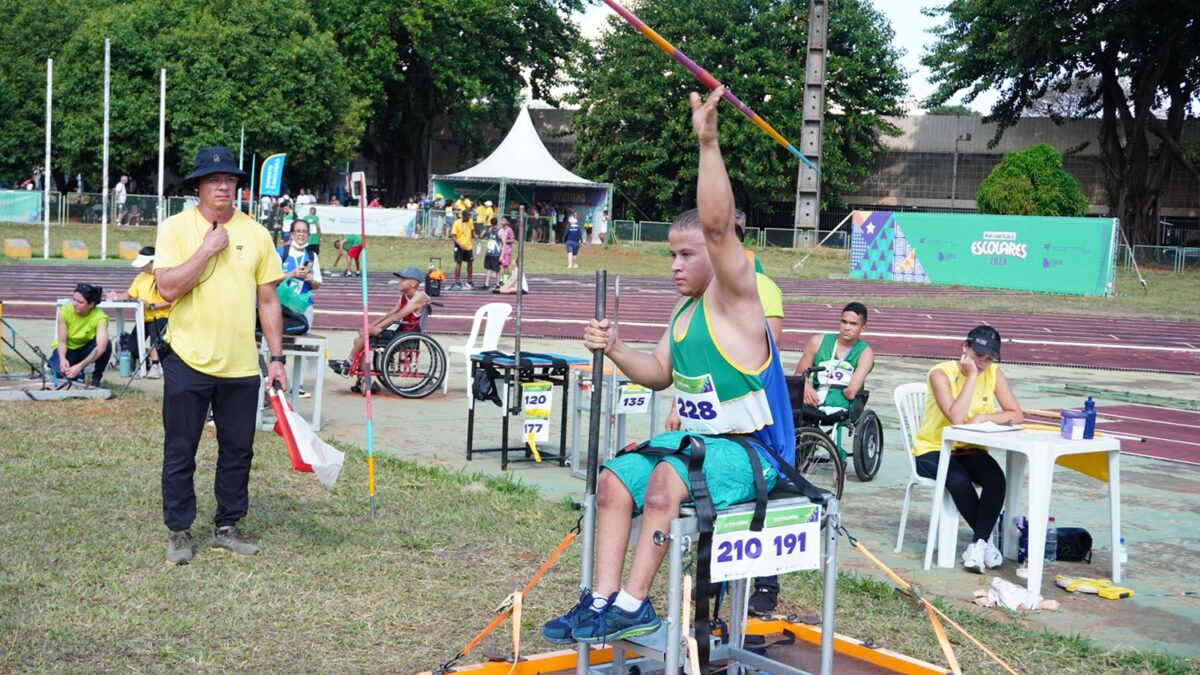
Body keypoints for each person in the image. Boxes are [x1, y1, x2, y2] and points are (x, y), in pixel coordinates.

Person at [541, 88, 794, 645]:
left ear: (715, 254)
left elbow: (720, 226)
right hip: (703, 447)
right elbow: (656, 372)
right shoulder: (683, 313)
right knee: (613, 479)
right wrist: (613, 348)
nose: (675, 266)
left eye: (687, 255)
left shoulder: (740, 299)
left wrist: (708, 141)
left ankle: (635, 605)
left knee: (663, 481)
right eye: (671, 256)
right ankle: (601, 601)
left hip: (757, 452)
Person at [153, 145, 287, 566]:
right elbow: (168, 288)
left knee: (238, 449)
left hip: (241, 364)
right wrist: (208, 248)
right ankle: (179, 531)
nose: (223, 186)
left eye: (229, 180)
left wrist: (277, 358)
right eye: (214, 180)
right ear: (199, 186)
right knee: (180, 449)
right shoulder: (175, 229)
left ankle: (227, 526)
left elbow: (268, 300)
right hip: (187, 359)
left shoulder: (257, 233)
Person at [658, 209, 787, 614]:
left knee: (753, 513)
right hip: (712, 425)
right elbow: (696, 360)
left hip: (756, 430)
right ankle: (708, 585)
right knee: (703, 493)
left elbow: (758, 356)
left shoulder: (758, 286)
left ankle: (764, 583)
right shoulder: (695, 296)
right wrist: (682, 401)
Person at [912, 325, 1023, 573]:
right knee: (959, 480)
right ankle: (985, 543)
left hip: (969, 449)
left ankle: (978, 545)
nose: (982, 364)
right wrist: (971, 376)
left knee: (996, 479)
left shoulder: (994, 373)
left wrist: (986, 417)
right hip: (932, 448)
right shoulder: (940, 373)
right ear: (965, 348)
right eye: (978, 356)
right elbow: (956, 417)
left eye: (988, 359)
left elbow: (1017, 414)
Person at [328, 266, 429, 377]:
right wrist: (372, 325)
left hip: (405, 335)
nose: (399, 282)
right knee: (358, 340)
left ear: (413, 283)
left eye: (403, 279)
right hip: (398, 332)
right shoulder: (404, 297)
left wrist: (377, 328)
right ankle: (366, 380)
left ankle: (348, 362)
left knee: (367, 332)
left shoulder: (419, 296)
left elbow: (397, 316)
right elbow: (389, 314)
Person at [794, 302, 875, 416]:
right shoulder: (817, 342)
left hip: (842, 405)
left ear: (863, 328)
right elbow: (799, 374)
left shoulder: (866, 353)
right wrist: (805, 387)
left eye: (853, 324)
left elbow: (851, 392)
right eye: (844, 322)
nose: (847, 327)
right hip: (813, 399)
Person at [105, 246, 171, 379]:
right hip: (144, 318)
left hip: (161, 316)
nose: (142, 268)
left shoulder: (165, 276)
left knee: (155, 337)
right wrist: (116, 296)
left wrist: (153, 306)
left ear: (153, 262)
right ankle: (146, 356)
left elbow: (173, 300)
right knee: (132, 348)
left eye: (145, 265)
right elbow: (128, 294)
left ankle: (155, 365)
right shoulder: (141, 276)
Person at [48, 282, 112, 387]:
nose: (74, 304)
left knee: (107, 345)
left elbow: (101, 348)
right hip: (68, 347)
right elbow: (62, 340)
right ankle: (73, 371)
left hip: (85, 348)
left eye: (80, 302)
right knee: (59, 373)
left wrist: (79, 366)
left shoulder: (100, 317)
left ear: (91, 304)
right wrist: (63, 359)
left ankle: (96, 377)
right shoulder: (65, 311)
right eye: (74, 300)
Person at [450, 210, 475, 289]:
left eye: (469, 216)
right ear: (463, 216)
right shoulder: (457, 223)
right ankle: (457, 280)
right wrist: (460, 245)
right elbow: (453, 236)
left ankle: (469, 280)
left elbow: (472, 231)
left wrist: (477, 238)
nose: (469, 218)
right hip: (459, 246)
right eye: (467, 216)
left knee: (470, 263)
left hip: (468, 246)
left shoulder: (470, 221)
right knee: (458, 263)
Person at [482, 218, 503, 289]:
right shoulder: (490, 229)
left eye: (495, 225)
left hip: (496, 253)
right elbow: (484, 235)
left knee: (497, 269)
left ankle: (497, 284)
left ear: (496, 224)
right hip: (489, 252)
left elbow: (504, 243)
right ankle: (486, 284)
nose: (494, 226)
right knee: (488, 268)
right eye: (492, 225)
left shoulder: (500, 231)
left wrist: (501, 255)